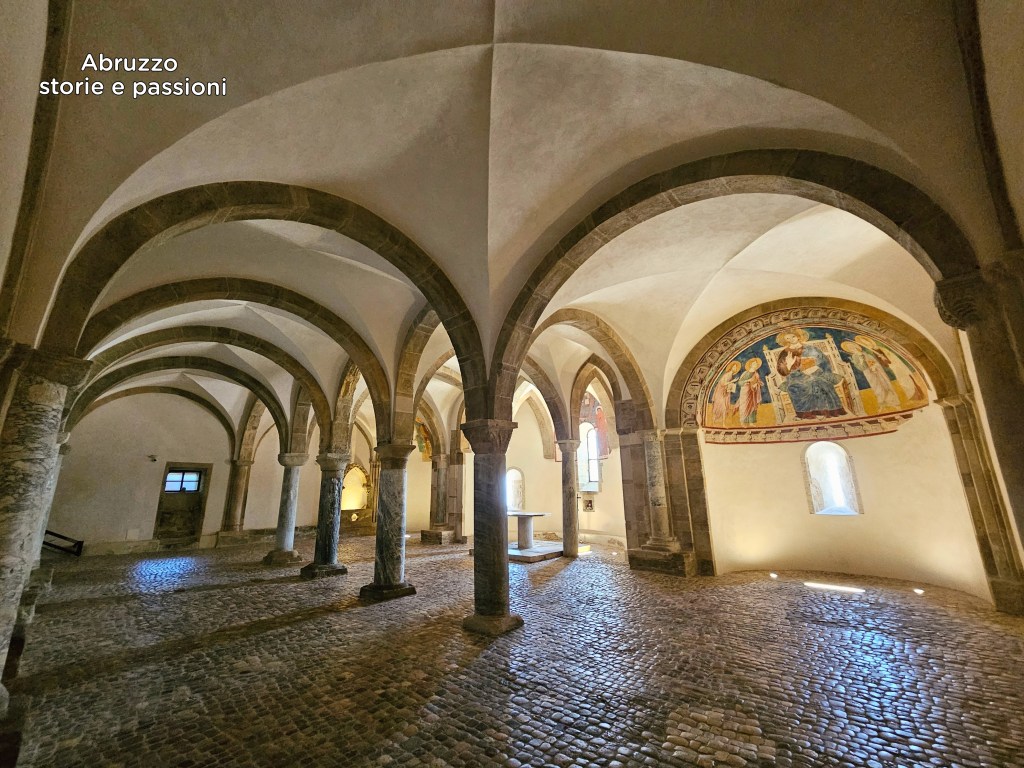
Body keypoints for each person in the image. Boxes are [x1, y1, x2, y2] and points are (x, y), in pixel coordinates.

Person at [774, 330, 847, 419]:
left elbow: (823, 360)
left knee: (819, 381)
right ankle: (806, 414)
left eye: (793, 336)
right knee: (798, 387)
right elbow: (781, 369)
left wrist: (813, 365)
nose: (791, 339)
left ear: (798, 336)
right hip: (795, 376)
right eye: (788, 338)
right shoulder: (785, 352)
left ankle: (823, 412)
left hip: (816, 373)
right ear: (786, 341)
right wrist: (789, 365)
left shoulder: (810, 348)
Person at [842, 340, 900, 411]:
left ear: (857, 346)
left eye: (853, 346)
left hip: (878, 370)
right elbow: (861, 367)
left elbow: (875, 361)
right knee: (877, 387)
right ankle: (882, 404)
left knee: (886, 384)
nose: (853, 348)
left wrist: (875, 366)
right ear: (850, 350)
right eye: (850, 348)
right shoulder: (855, 356)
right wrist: (860, 357)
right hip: (868, 372)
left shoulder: (866, 353)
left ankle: (894, 403)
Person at [711, 361, 741, 425]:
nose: (735, 369)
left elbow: (727, 385)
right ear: (731, 367)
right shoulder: (727, 375)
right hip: (720, 393)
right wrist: (732, 381)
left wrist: (731, 386)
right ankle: (715, 422)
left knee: (725, 408)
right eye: (734, 367)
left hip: (725, 393)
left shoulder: (731, 375)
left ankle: (723, 423)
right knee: (721, 408)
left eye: (736, 368)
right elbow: (723, 383)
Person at [736, 357, 764, 424]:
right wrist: (747, 381)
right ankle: (743, 421)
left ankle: (751, 422)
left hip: (753, 392)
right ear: (751, 364)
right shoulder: (745, 373)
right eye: (754, 364)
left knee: (752, 406)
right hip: (745, 392)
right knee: (744, 406)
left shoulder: (756, 374)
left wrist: (758, 383)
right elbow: (739, 382)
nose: (756, 365)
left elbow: (758, 381)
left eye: (757, 364)